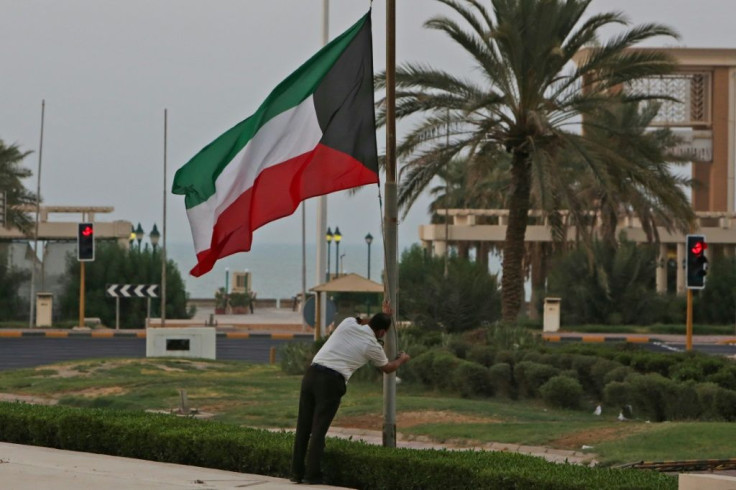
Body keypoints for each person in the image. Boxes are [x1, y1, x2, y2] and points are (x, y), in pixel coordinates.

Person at [290, 300, 410, 485]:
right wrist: (402, 359)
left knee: (303, 426)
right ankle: (312, 475)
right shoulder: (372, 345)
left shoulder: (347, 323)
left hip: (311, 374)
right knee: (318, 429)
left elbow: (362, 321)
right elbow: (387, 367)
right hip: (331, 382)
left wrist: (383, 315)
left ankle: (296, 473)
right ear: (381, 333)